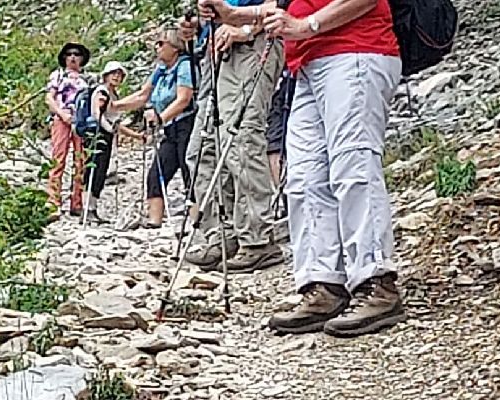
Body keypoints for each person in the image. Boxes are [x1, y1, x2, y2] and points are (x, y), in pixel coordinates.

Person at [199, 0, 407, 337]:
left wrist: (306, 25)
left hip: (355, 49)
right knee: (305, 178)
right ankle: (324, 283)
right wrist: (238, 15)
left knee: (353, 167)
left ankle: (376, 281)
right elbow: (289, 4)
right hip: (309, 61)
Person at [179, 0, 287, 274]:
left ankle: (257, 238)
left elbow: (286, 4)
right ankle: (221, 235)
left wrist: (249, 27)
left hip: (255, 42)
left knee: (242, 140)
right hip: (218, 49)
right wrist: (201, 25)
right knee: (203, 149)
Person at [113, 28, 197, 230]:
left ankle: (197, 221)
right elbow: (143, 95)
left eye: (161, 43)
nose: (157, 47)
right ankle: (154, 221)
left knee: (190, 172)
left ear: (175, 47)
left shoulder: (185, 65)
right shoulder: (161, 69)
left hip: (187, 125)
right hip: (169, 128)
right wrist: (114, 106)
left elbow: (184, 99)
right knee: (157, 171)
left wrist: (160, 117)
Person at [80, 61, 146, 224]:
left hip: (104, 134)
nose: (117, 76)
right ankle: (87, 209)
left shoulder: (113, 96)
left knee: (101, 170)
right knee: (94, 170)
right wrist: (108, 129)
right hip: (96, 134)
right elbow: (97, 114)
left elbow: (115, 123)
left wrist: (136, 136)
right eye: (113, 73)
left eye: (119, 74)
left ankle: (92, 208)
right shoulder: (101, 91)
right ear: (106, 75)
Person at [44, 43, 92, 219]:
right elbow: (49, 98)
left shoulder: (86, 81)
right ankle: (53, 200)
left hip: (80, 121)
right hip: (61, 118)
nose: (73, 57)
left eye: (77, 54)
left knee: (81, 161)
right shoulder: (57, 75)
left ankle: (76, 202)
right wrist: (61, 113)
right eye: (69, 54)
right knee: (58, 159)